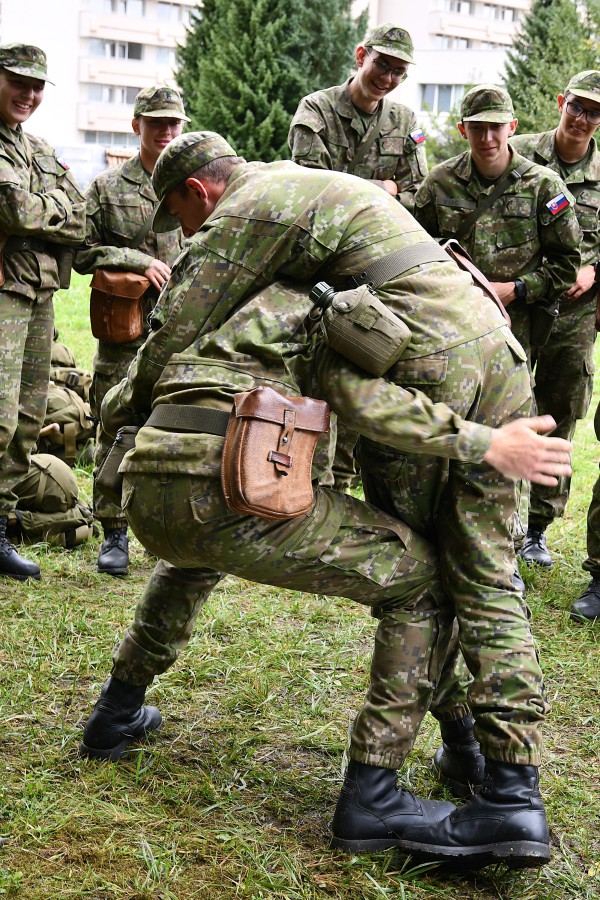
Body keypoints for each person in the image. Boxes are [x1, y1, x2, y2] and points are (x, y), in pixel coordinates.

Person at [78, 132, 573, 869]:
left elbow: (177, 324)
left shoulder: (263, 242)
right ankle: (483, 771)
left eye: (182, 219)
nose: (188, 238)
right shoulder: (326, 242)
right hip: (491, 347)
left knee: (424, 573)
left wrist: (120, 419)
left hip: (413, 370)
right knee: (468, 577)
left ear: (199, 193)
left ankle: (452, 773)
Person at [289, 22, 428, 492]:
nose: (387, 78)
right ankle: (306, 484)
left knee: (367, 371)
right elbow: (312, 191)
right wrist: (381, 189)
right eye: (382, 65)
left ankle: (344, 488)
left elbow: (418, 196)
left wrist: (376, 192)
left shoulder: (405, 122)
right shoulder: (317, 110)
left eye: (398, 72)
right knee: (316, 380)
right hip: (321, 269)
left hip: (379, 272)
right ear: (360, 55)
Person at [74, 85, 188, 577]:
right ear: (136, 124)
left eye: (173, 123)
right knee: (116, 422)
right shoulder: (107, 187)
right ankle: (113, 530)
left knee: (177, 425)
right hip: (125, 326)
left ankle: (167, 532)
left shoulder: (196, 181)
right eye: (155, 122)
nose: (165, 131)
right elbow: (81, 251)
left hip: (181, 327)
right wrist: (137, 261)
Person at [0, 43, 86, 582]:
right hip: (3, 289)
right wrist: (46, 209)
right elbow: (13, 207)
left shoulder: (38, 149)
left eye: (37, 87)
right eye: (18, 82)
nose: (28, 95)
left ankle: (0, 525)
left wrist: (39, 211)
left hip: (38, 292)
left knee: (27, 418)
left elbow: (82, 214)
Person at [511, 71, 600, 569]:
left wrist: (594, 269)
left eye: (595, 113)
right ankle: (493, 518)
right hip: (518, 307)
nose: (583, 119)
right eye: (578, 107)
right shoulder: (518, 153)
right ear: (562, 102)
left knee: (559, 415)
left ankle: (537, 529)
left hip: (574, 315)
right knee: (501, 406)